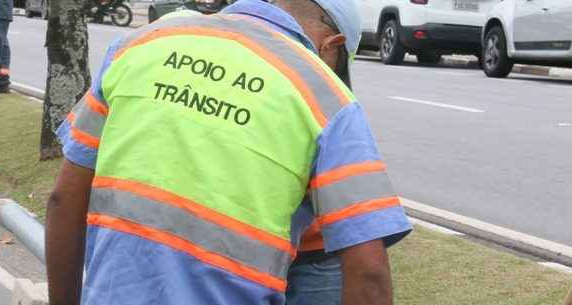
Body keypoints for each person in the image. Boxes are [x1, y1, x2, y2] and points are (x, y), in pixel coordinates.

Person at [46, 1, 412, 305]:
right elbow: (369, 272)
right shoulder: (327, 96)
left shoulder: (141, 43)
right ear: (332, 45)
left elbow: (64, 201)